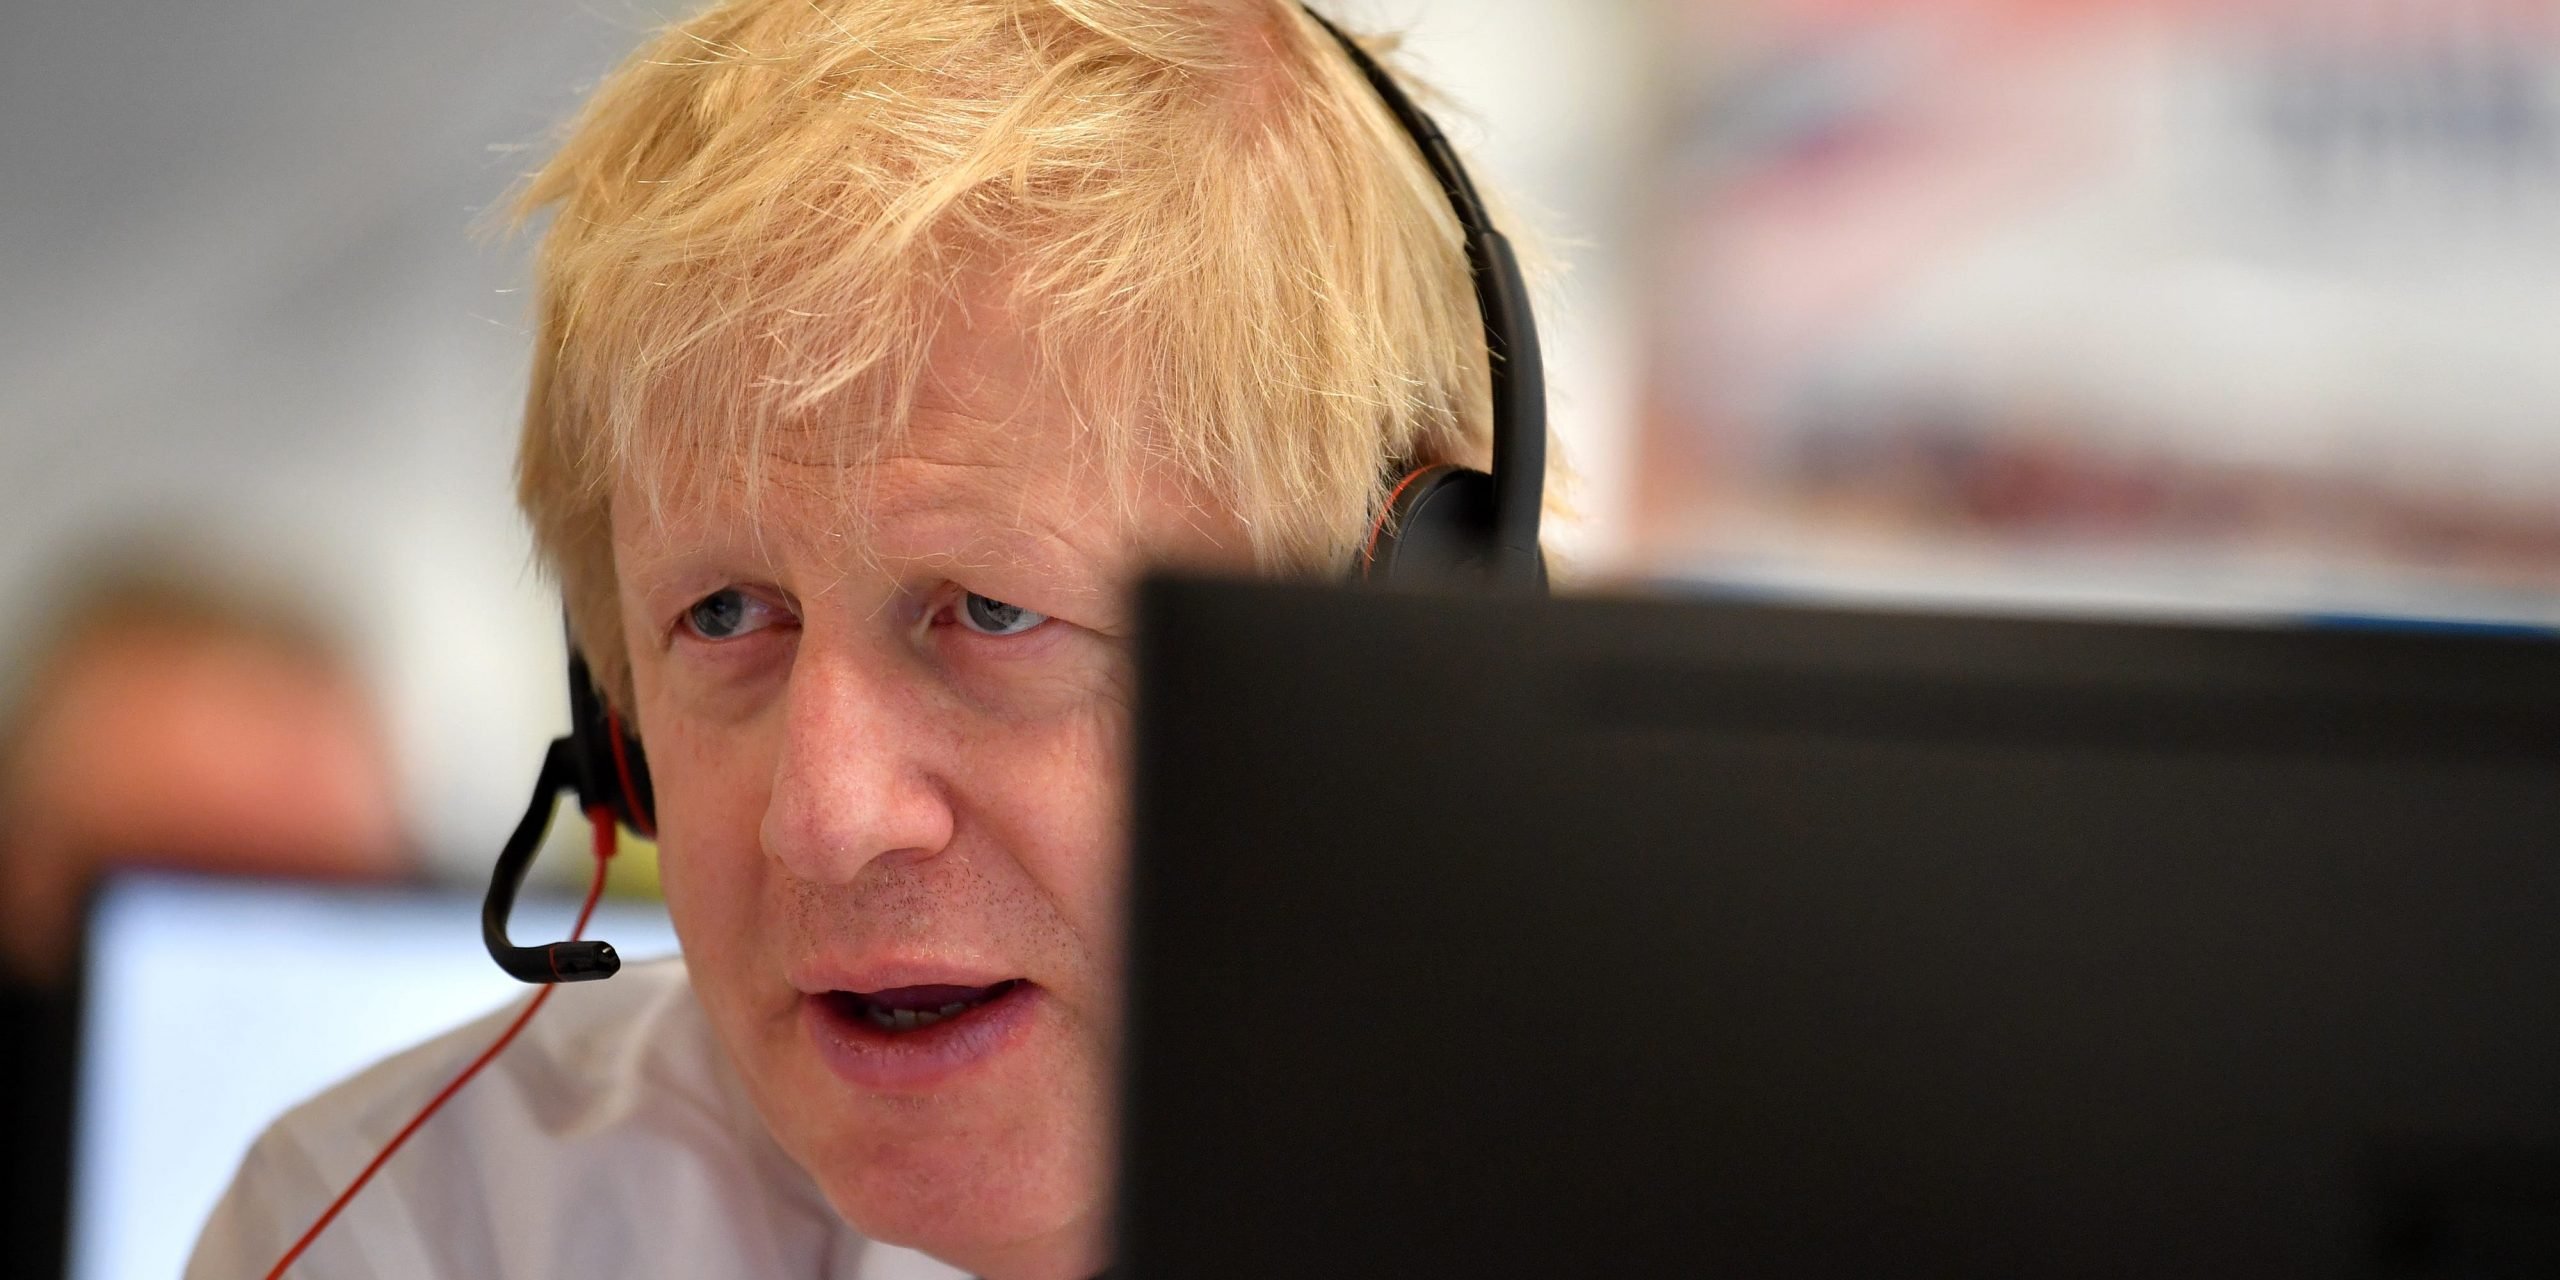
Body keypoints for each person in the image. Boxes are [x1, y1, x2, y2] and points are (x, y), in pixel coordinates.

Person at [189, 1, 1546, 1276]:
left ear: (1401, 649)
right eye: (722, 615)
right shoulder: (413, 1236)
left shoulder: (1722, 1203)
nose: (824, 819)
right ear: (620, 734)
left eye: (996, 610)